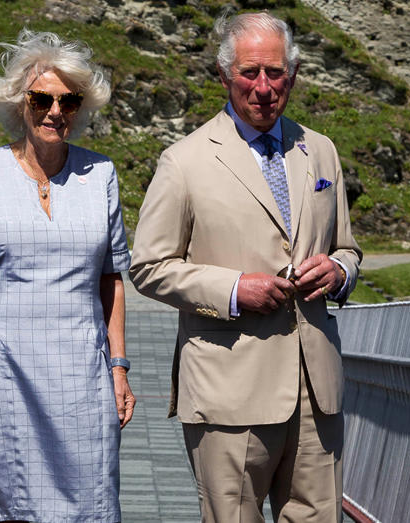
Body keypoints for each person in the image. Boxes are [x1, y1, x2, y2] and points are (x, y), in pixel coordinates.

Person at [129, 11, 361, 523]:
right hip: (228, 391)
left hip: (315, 389)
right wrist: (235, 289)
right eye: (249, 73)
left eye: (275, 73)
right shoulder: (184, 161)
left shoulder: (321, 151)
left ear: (293, 76)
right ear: (224, 74)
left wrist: (340, 272)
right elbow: (147, 265)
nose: (263, 87)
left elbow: (347, 247)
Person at [0, 29, 135, 523]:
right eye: (41, 98)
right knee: (1, 504)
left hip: (81, 380)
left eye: (68, 101)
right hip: (1, 376)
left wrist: (120, 367)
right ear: (18, 103)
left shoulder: (101, 175)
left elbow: (111, 280)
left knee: (88, 502)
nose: (55, 111)